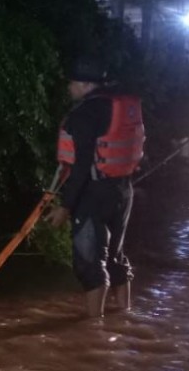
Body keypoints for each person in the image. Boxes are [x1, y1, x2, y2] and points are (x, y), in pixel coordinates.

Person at [48, 58, 144, 317]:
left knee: (89, 262)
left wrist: (65, 207)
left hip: (93, 193)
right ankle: (124, 316)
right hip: (123, 191)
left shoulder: (84, 114)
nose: (68, 87)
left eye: (71, 82)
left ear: (83, 84)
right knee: (115, 256)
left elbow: (80, 167)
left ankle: (94, 328)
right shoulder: (119, 106)